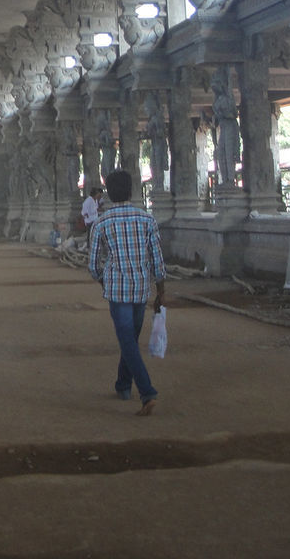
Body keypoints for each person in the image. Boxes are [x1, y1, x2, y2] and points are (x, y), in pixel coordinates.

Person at [87, 168, 166, 415]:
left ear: (108, 193)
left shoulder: (102, 223)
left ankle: (147, 392)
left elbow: (92, 265)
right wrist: (161, 292)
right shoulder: (147, 219)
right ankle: (123, 385)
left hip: (117, 290)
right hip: (141, 289)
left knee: (128, 341)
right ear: (132, 190)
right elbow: (157, 260)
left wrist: (104, 281)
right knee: (129, 339)